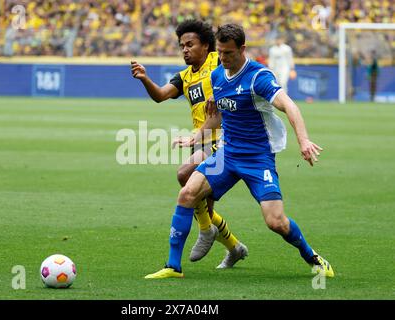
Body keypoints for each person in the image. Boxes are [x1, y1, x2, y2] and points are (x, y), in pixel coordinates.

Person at [145, 23, 334, 279]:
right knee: (187, 193)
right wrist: (196, 136)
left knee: (276, 222)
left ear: (242, 49)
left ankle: (312, 257)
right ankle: (173, 267)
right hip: (227, 154)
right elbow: (219, 116)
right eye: (220, 53)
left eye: (229, 53)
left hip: (258, 159)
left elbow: (290, 106)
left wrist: (304, 141)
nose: (223, 59)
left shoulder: (259, 77)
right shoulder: (217, 76)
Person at [131, 20, 247, 279]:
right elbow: (161, 95)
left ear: (206, 46)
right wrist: (144, 79)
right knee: (200, 200)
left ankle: (204, 233)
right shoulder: (184, 77)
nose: (184, 50)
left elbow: (238, 72)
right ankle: (234, 247)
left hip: (227, 137)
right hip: (202, 140)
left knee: (185, 177)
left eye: (190, 44)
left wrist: (221, 94)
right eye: (182, 45)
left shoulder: (219, 61)